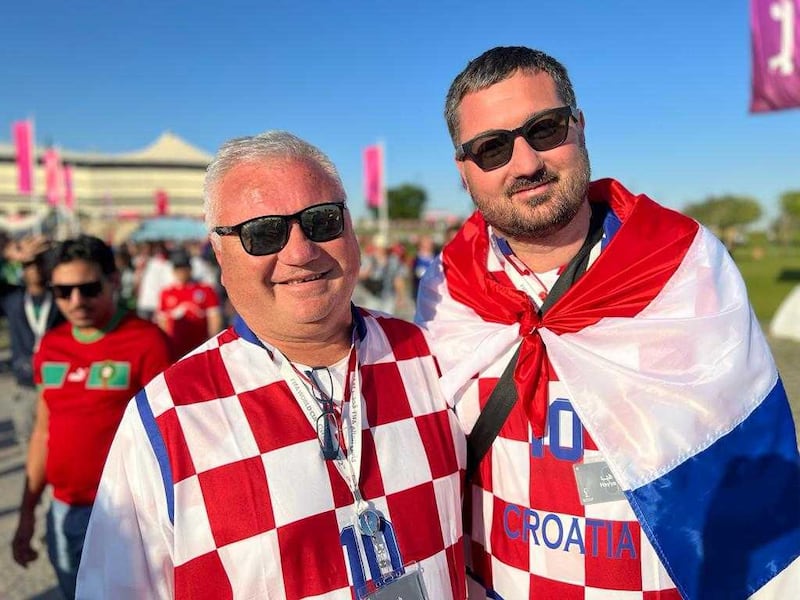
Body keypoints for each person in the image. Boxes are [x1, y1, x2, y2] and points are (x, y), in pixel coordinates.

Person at [415, 46, 800, 599]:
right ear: (464, 170)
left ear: (579, 127)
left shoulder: (681, 265)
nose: (525, 164)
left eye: (544, 129)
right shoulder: (446, 289)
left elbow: (747, 469)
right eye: (492, 148)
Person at [77, 131, 466, 599]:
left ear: (350, 228)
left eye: (321, 221)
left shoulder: (431, 359)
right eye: (263, 232)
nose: (301, 252)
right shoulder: (168, 416)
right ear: (219, 254)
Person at [10, 235, 172, 600]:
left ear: (113, 282)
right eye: (63, 291)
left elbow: (170, 436)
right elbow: (42, 431)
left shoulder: (147, 342)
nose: (76, 300)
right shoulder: (50, 346)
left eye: (89, 287)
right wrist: (27, 513)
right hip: (64, 510)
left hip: (130, 516)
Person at [0, 249, 64, 442]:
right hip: (25, 384)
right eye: (28, 265)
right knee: (29, 446)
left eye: (38, 263)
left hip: (57, 382)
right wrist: (5, 254)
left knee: (57, 444)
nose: (34, 269)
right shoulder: (12, 299)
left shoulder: (62, 296)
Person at [156, 247, 223, 358]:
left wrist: (212, 341)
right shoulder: (166, 293)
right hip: (176, 348)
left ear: (190, 269)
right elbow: (163, 321)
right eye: (178, 269)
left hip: (200, 346)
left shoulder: (205, 290)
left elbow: (214, 318)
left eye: (183, 269)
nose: (181, 272)